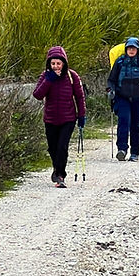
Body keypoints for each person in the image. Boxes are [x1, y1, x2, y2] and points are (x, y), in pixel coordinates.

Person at [32, 45, 86, 188]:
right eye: (53, 63)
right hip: (50, 119)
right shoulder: (45, 76)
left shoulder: (72, 76)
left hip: (68, 118)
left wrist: (81, 115)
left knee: (62, 147)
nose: (56, 66)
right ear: (49, 64)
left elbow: (80, 97)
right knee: (52, 148)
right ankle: (56, 169)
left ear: (64, 63)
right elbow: (37, 95)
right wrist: (49, 80)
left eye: (58, 63)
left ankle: (60, 175)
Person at [107, 36, 139, 161]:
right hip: (122, 97)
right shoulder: (119, 62)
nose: (131, 50)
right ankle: (122, 149)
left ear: (138, 49)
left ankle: (135, 152)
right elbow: (111, 80)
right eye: (129, 48)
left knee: (136, 125)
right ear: (126, 49)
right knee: (123, 121)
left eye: (134, 48)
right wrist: (110, 91)